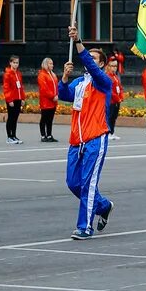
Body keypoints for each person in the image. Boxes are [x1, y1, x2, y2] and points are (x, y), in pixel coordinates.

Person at [59, 26, 115, 240]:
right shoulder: (79, 83)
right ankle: (103, 206)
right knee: (74, 183)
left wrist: (78, 41)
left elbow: (90, 65)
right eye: (88, 57)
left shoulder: (103, 83)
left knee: (89, 183)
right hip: (76, 140)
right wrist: (64, 78)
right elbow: (64, 95)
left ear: (101, 64)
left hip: (95, 138)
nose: (89, 60)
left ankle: (85, 227)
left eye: (93, 58)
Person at [2, 55, 25, 145]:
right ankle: (9, 136)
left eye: (17, 63)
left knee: (15, 118)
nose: (16, 64)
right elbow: (6, 88)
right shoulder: (7, 74)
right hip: (12, 99)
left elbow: (21, 87)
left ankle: (14, 135)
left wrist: (22, 98)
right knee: (11, 117)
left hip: (18, 98)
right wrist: (9, 99)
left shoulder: (18, 74)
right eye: (14, 62)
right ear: (10, 63)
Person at [38, 58, 59, 143]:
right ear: (46, 64)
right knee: (44, 118)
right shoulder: (42, 75)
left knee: (50, 119)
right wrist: (52, 96)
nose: (52, 65)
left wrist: (57, 95)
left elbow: (56, 86)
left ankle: (49, 134)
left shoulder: (52, 74)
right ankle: (43, 135)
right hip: (46, 101)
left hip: (53, 101)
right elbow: (44, 88)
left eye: (52, 64)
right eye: (50, 64)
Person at [105, 56, 122, 139]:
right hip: (111, 101)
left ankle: (112, 132)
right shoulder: (108, 76)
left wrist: (121, 96)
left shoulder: (115, 76)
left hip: (117, 100)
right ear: (108, 66)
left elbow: (119, 87)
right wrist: (117, 98)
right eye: (112, 66)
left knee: (114, 117)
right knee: (110, 117)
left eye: (115, 66)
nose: (114, 68)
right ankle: (108, 132)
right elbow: (110, 91)